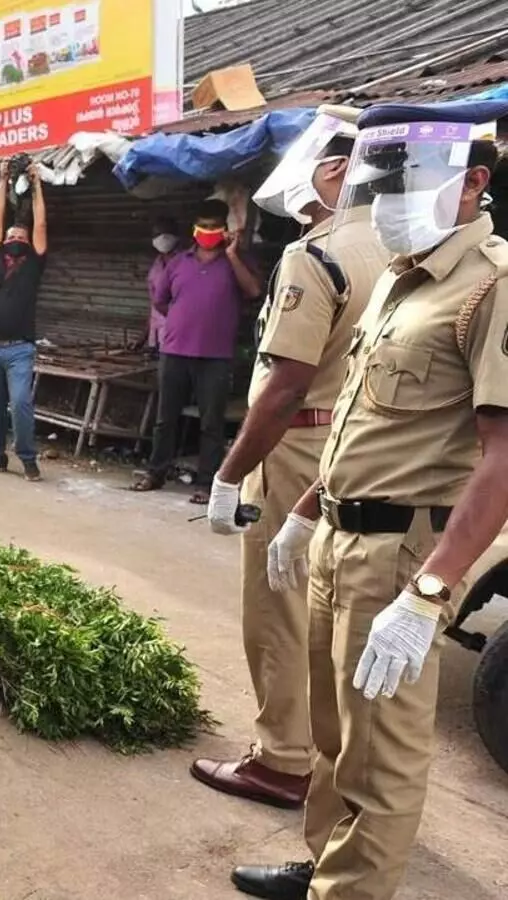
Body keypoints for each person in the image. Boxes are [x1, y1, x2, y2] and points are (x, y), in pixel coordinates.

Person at [235, 100, 508, 900]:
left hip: (401, 556)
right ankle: (323, 864)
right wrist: (304, 511)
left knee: (382, 753)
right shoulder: (398, 278)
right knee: (332, 733)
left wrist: (430, 593)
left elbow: (502, 456)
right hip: (337, 537)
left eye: (404, 186)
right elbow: (365, 420)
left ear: (472, 184)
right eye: (376, 187)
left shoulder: (491, 287)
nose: (384, 206)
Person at [193, 108, 392, 811]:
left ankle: (281, 759)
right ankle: (330, 759)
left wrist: (225, 474)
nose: (301, 200)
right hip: (361, 451)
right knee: (330, 611)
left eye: (310, 181)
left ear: (337, 170)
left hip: (298, 448)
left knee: (277, 608)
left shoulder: (318, 253)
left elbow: (284, 386)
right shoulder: (399, 250)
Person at [132, 198, 263, 502]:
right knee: (165, 417)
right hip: (174, 350)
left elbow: (254, 291)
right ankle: (156, 471)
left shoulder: (237, 261)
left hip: (215, 355)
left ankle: (205, 483)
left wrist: (231, 254)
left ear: (225, 230)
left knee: (211, 422)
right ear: (194, 229)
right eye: (203, 226)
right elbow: (161, 300)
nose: (207, 232)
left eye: (214, 227)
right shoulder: (178, 261)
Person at [0, 158, 48, 481]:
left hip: (19, 349)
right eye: (11, 233)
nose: (15, 234)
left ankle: (28, 458)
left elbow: (41, 227)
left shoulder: (33, 263)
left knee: (19, 404)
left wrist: (36, 187)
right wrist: (3, 180)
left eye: (22, 232)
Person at [145, 218, 182, 350]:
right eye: (157, 234)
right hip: (157, 336)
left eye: (167, 233)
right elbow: (153, 304)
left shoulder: (186, 263)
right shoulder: (156, 266)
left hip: (178, 335)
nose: (163, 237)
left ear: (176, 235)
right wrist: (144, 335)